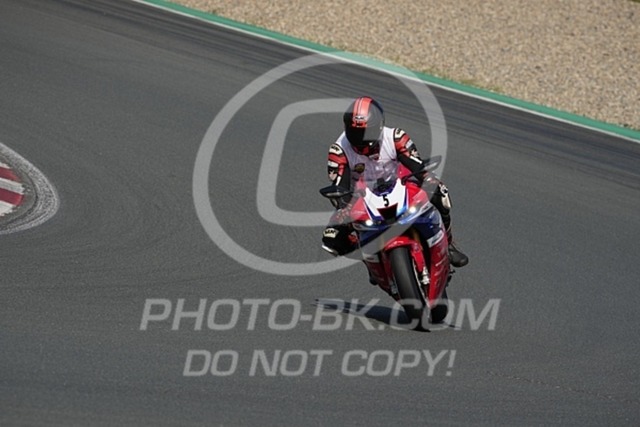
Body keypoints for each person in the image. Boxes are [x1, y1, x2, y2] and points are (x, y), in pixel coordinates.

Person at [321, 96, 469, 268]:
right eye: (355, 132)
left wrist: (429, 179)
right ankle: (370, 260)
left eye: (366, 132)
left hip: (399, 183)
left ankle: (449, 245)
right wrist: (344, 206)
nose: (360, 138)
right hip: (362, 196)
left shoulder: (396, 137)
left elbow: (417, 165)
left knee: (440, 193)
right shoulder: (339, 150)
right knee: (332, 239)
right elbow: (341, 186)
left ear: (379, 126)